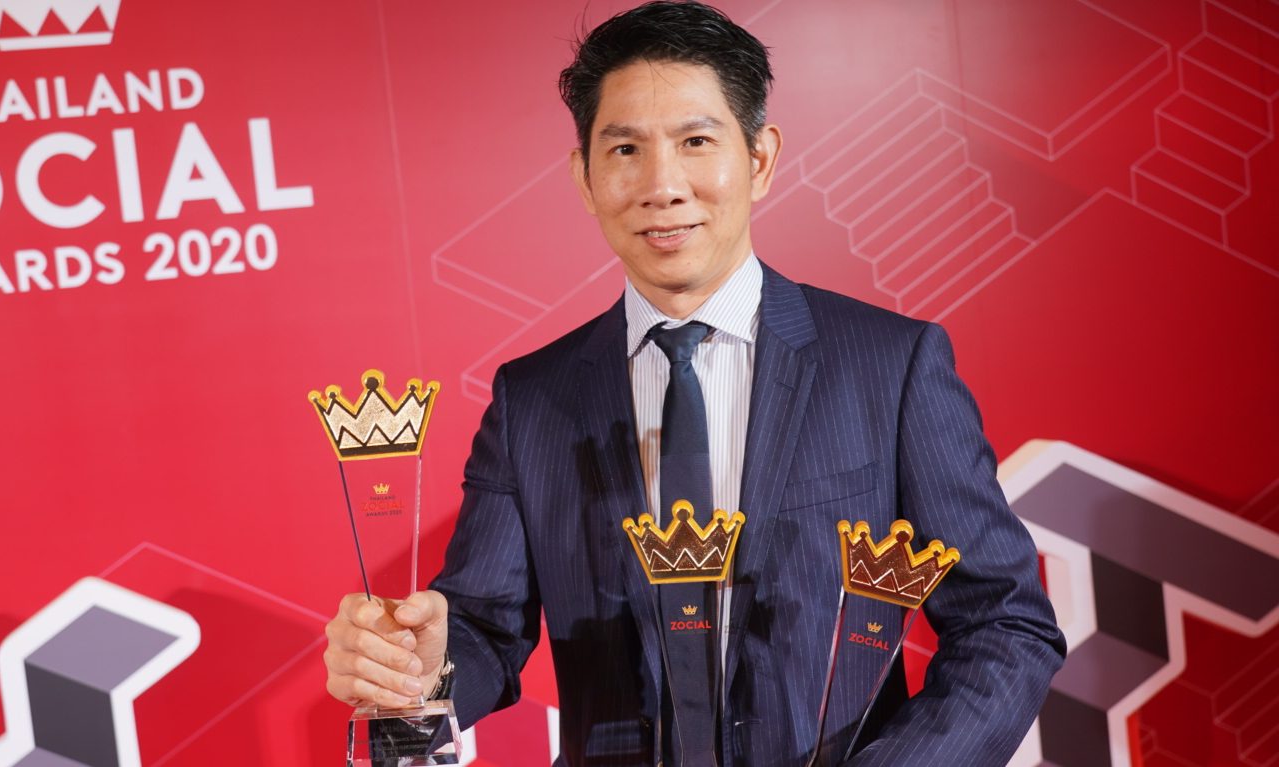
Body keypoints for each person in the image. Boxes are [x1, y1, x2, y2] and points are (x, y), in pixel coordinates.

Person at [323, 2, 1065, 764]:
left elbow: (1006, 623)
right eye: (625, 149)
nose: (662, 185)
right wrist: (422, 667)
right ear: (585, 177)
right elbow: (484, 626)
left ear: (760, 159)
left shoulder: (890, 365)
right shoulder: (532, 401)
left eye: (696, 141)